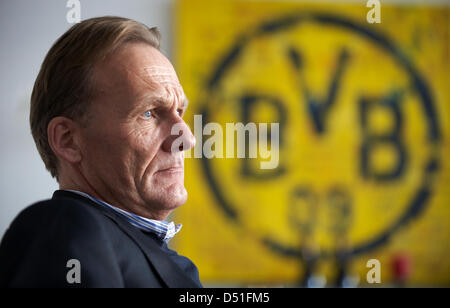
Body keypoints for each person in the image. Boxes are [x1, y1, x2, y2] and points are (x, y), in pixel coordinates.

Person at [0, 16, 201, 288]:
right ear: (68, 140)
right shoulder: (63, 229)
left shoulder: (165, 258)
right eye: (149, 113)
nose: (186, 138)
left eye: (179, 112)